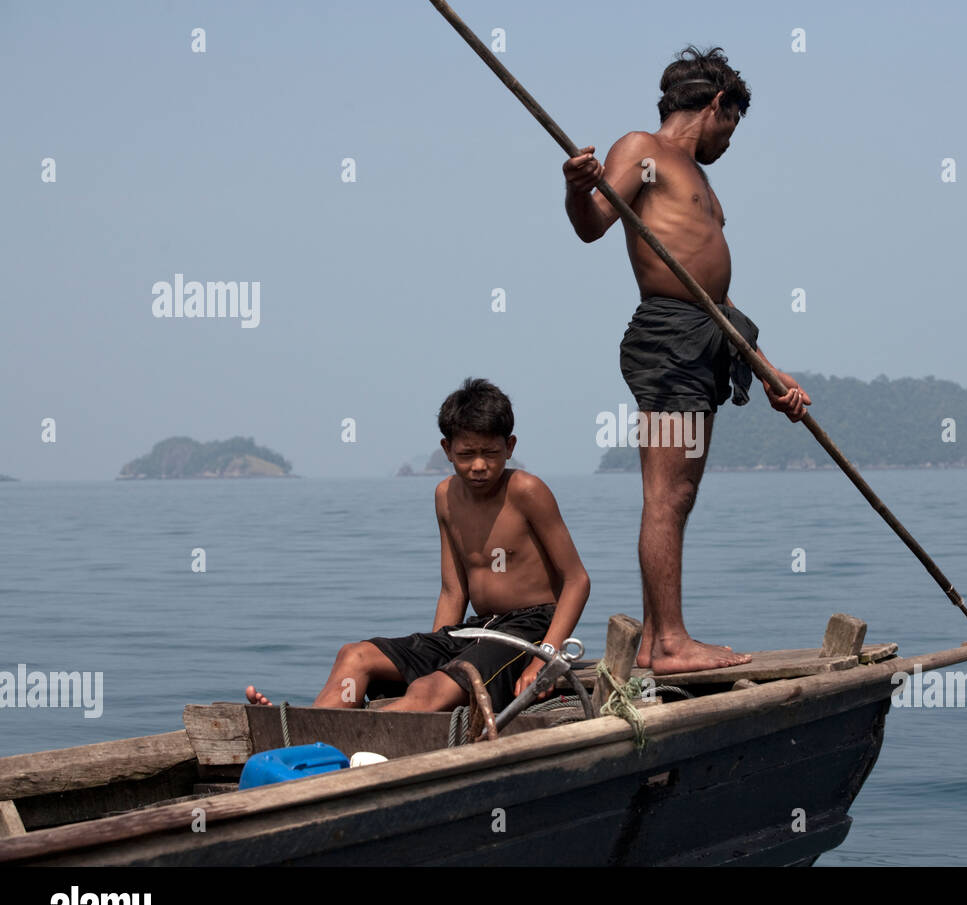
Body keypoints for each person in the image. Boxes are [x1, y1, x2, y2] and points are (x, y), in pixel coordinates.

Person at [561, 45, 811, 675]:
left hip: (706, 334)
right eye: (732, 125)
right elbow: (592, 223)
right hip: (670, 341)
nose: (729, 141)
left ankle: (652, 642)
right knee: (666, 495)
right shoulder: (643, 150)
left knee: (679, 494)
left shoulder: (695, 175)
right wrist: (574, 188)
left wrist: (767, 371)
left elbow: (718, 296)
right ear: (718, 104)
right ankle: (670, 643)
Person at [245, 378, 590, 713]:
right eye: (467, 454)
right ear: (447, 450)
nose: (480, 466)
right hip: (474, 629)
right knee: (354, 655)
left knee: (429, 689)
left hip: (527, 631)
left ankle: (340, 748)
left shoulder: (526, 491)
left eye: (491, 453)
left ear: (510, 447)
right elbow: (453, 591)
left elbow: (577, 580)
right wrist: (436, 651)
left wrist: (545, 655)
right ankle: (304, 736)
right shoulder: (445, 496)